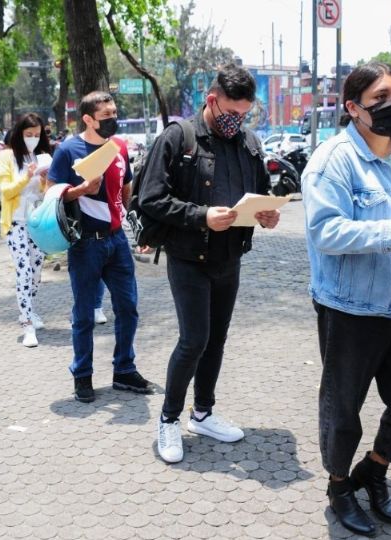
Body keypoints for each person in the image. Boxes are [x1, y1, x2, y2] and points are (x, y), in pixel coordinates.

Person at [302, 62, 391, 537]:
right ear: (352, 108)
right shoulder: (332, 161)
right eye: (381, 97)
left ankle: (375, 468)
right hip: (353, 303)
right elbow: (325, 231)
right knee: (344, 404)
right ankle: (340, 485)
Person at [139, 64, 279, 464]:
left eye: (244, 114)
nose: (237, 122)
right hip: (188, 257)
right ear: (211, 100)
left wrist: (266, 214)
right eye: (231, 113)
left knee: (217, 339)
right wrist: (201, 215)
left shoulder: (249, 142)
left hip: (229, 257)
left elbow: (259, 193)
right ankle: (169, 419)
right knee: (194, 340)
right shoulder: (177, 137)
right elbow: (151, 198)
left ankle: (202, 413)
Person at [47, 91, 153, 403]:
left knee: (128, 308)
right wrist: (80, 190)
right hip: (84, 245)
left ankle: (124, 370)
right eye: (105, 116)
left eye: (114, 113)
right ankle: (82, 376)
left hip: (117, 241)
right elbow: (51, 194)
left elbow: (125, 189)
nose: (112, 120)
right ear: (88, 119)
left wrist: (137, 229)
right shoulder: (68, 150)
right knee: (83, 314)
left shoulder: (119, 146)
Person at [0, 113, 52, 348]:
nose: (33, 139)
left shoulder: (40, 156)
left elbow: (42, 193)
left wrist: (45, 179)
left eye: (37, 135)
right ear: (19, 133)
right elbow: (7, 191)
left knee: (37, 270)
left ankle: (29, 308)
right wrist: (26, 176)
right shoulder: (7, 157)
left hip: (36, 222)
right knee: (24, 270)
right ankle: (26, 322)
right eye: (29, 134)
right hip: (16, 223)